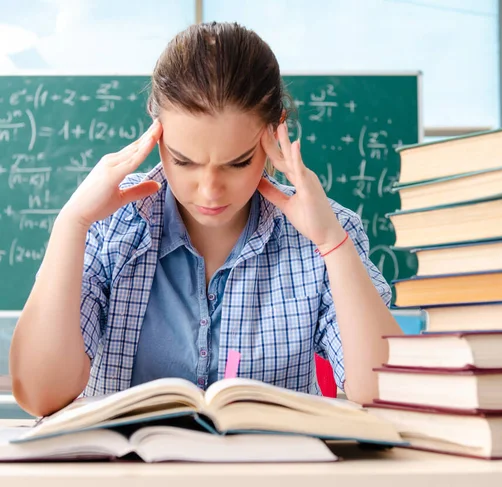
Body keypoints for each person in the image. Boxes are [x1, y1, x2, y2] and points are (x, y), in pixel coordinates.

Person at [9, 22, 401, 417]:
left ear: (274, 131)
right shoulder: (110, 225)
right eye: (184, 161)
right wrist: (72, 223)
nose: (210, 190)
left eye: (237, 162)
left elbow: (388, 391)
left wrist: (332, 242)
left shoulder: (327, 232)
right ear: (156, 130)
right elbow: (41, 393)